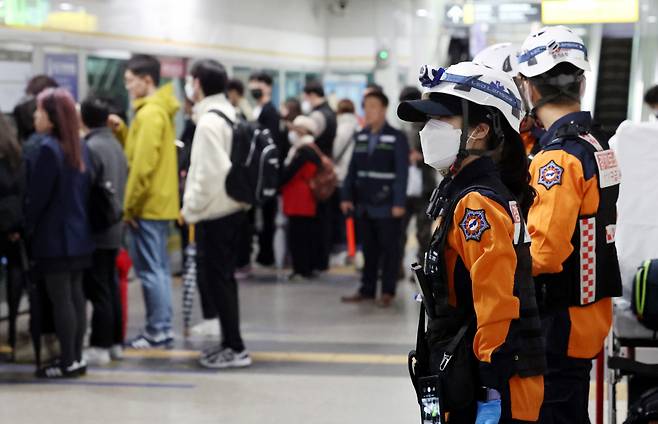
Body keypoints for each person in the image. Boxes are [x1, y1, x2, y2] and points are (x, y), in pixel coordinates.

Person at [398, 61, 545, 422]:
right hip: (463, 370)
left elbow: (496, 304)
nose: (428, 130)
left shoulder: (477, 203)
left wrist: (489, 391)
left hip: (488, 385)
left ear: (479, 130)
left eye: (442, 120)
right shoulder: (463, 192)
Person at [517, 25, 622, 422]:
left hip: (559, 320)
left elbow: (544, 253)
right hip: (587, 312)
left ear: (530, 87)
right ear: (580, 80)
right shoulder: (596, 144)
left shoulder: (557, 159)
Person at [181, 59, 252, 369]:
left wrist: (189, 210)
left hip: (216, 212)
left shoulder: (209, 122)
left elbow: (208, 174)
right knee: (224, 280)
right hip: (233, 208)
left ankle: (235, 348)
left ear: (197, 83)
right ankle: (230, 344)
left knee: (219, 281)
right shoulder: (228, 113)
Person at [109, 54, 180, 349]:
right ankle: (161, 326)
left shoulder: (150, 114)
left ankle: (158, 328)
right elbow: (138, 153)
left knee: (151, 271)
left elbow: (142, 167)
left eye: (130, 81)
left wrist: (129, 207)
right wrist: (124, 132)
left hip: (148, 206)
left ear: (146, 79)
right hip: (158, 203)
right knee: (158, 269)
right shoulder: (154, 112)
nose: (127, 87)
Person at [27, 87, 94, 378]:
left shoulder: (47, 149)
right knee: (76, 296)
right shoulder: (80, 147)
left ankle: (66, 360)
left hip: (55, 238)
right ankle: (76, 357)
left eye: (40, 111)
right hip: (80, 234)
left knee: (61, 299)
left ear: (52, 117)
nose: (35, 115)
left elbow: (39, 198)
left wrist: (28, 228)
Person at [340, 90, 409, 308]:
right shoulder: (360, 136)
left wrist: (399, 203)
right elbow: (352, 171)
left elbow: (401, 173)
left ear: (383, 109)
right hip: (364, 205)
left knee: (390, 250)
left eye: (373, 106)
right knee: (368, 250)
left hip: (388, 206)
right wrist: (346, 196)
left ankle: (387, 291)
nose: (368, 111)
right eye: (366, 107)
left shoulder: (396, 137)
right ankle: (367, 289)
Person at [79, 94, 128, 365]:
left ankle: (100, 344)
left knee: (99, 289)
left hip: (97, 230)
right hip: (114, 227)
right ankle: (115, 342)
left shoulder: (91, 147)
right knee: (109, 286)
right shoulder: (114, 144)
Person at [397, 86, 435, 280]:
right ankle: (405, 268)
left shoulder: (428, 125)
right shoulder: (408, 127)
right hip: (410, 187)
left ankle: (417, 270)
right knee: (409, 231)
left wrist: (420, 157)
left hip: (423, 187)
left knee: (421, 233)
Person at [280, 115, 322, 280]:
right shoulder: (311, 148)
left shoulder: (303, 150)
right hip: (304, 197)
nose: (292, 132)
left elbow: (289, 173)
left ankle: (301, 269)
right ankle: (306, 267)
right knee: (305, 233)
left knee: (298, 235)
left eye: (295, 129)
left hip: (299, 197)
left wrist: (277, 182)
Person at [246, 72, 280, 268]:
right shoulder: (256, 109)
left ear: (268, 86)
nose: (254, 88)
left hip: (266, 173)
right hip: (255, 172)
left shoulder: (270, 112)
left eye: (257, 84)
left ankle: (267, 254)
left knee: (268, 216)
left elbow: (270, 144)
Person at [303, 81, 337, 272]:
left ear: (311, 94)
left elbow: (309, 138)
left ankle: (316, 260)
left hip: (316, 173)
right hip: (327, 170)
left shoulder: (317, 115)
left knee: (316, 220)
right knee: (325, 218)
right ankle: (322, 260)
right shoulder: (331, 113)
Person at [0, 115, 26, 356]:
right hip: (16, 228)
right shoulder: (19, 158)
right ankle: (12, 327)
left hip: (4, 225)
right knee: (16, 274)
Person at [330, 99, 360, 251]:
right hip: (356, 177)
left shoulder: (341, 128)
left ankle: (346, 247)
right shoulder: (359, 126)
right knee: (353, 216)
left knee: (343, 215)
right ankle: (353, 247)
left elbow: (335, 152)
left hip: (341, 176)